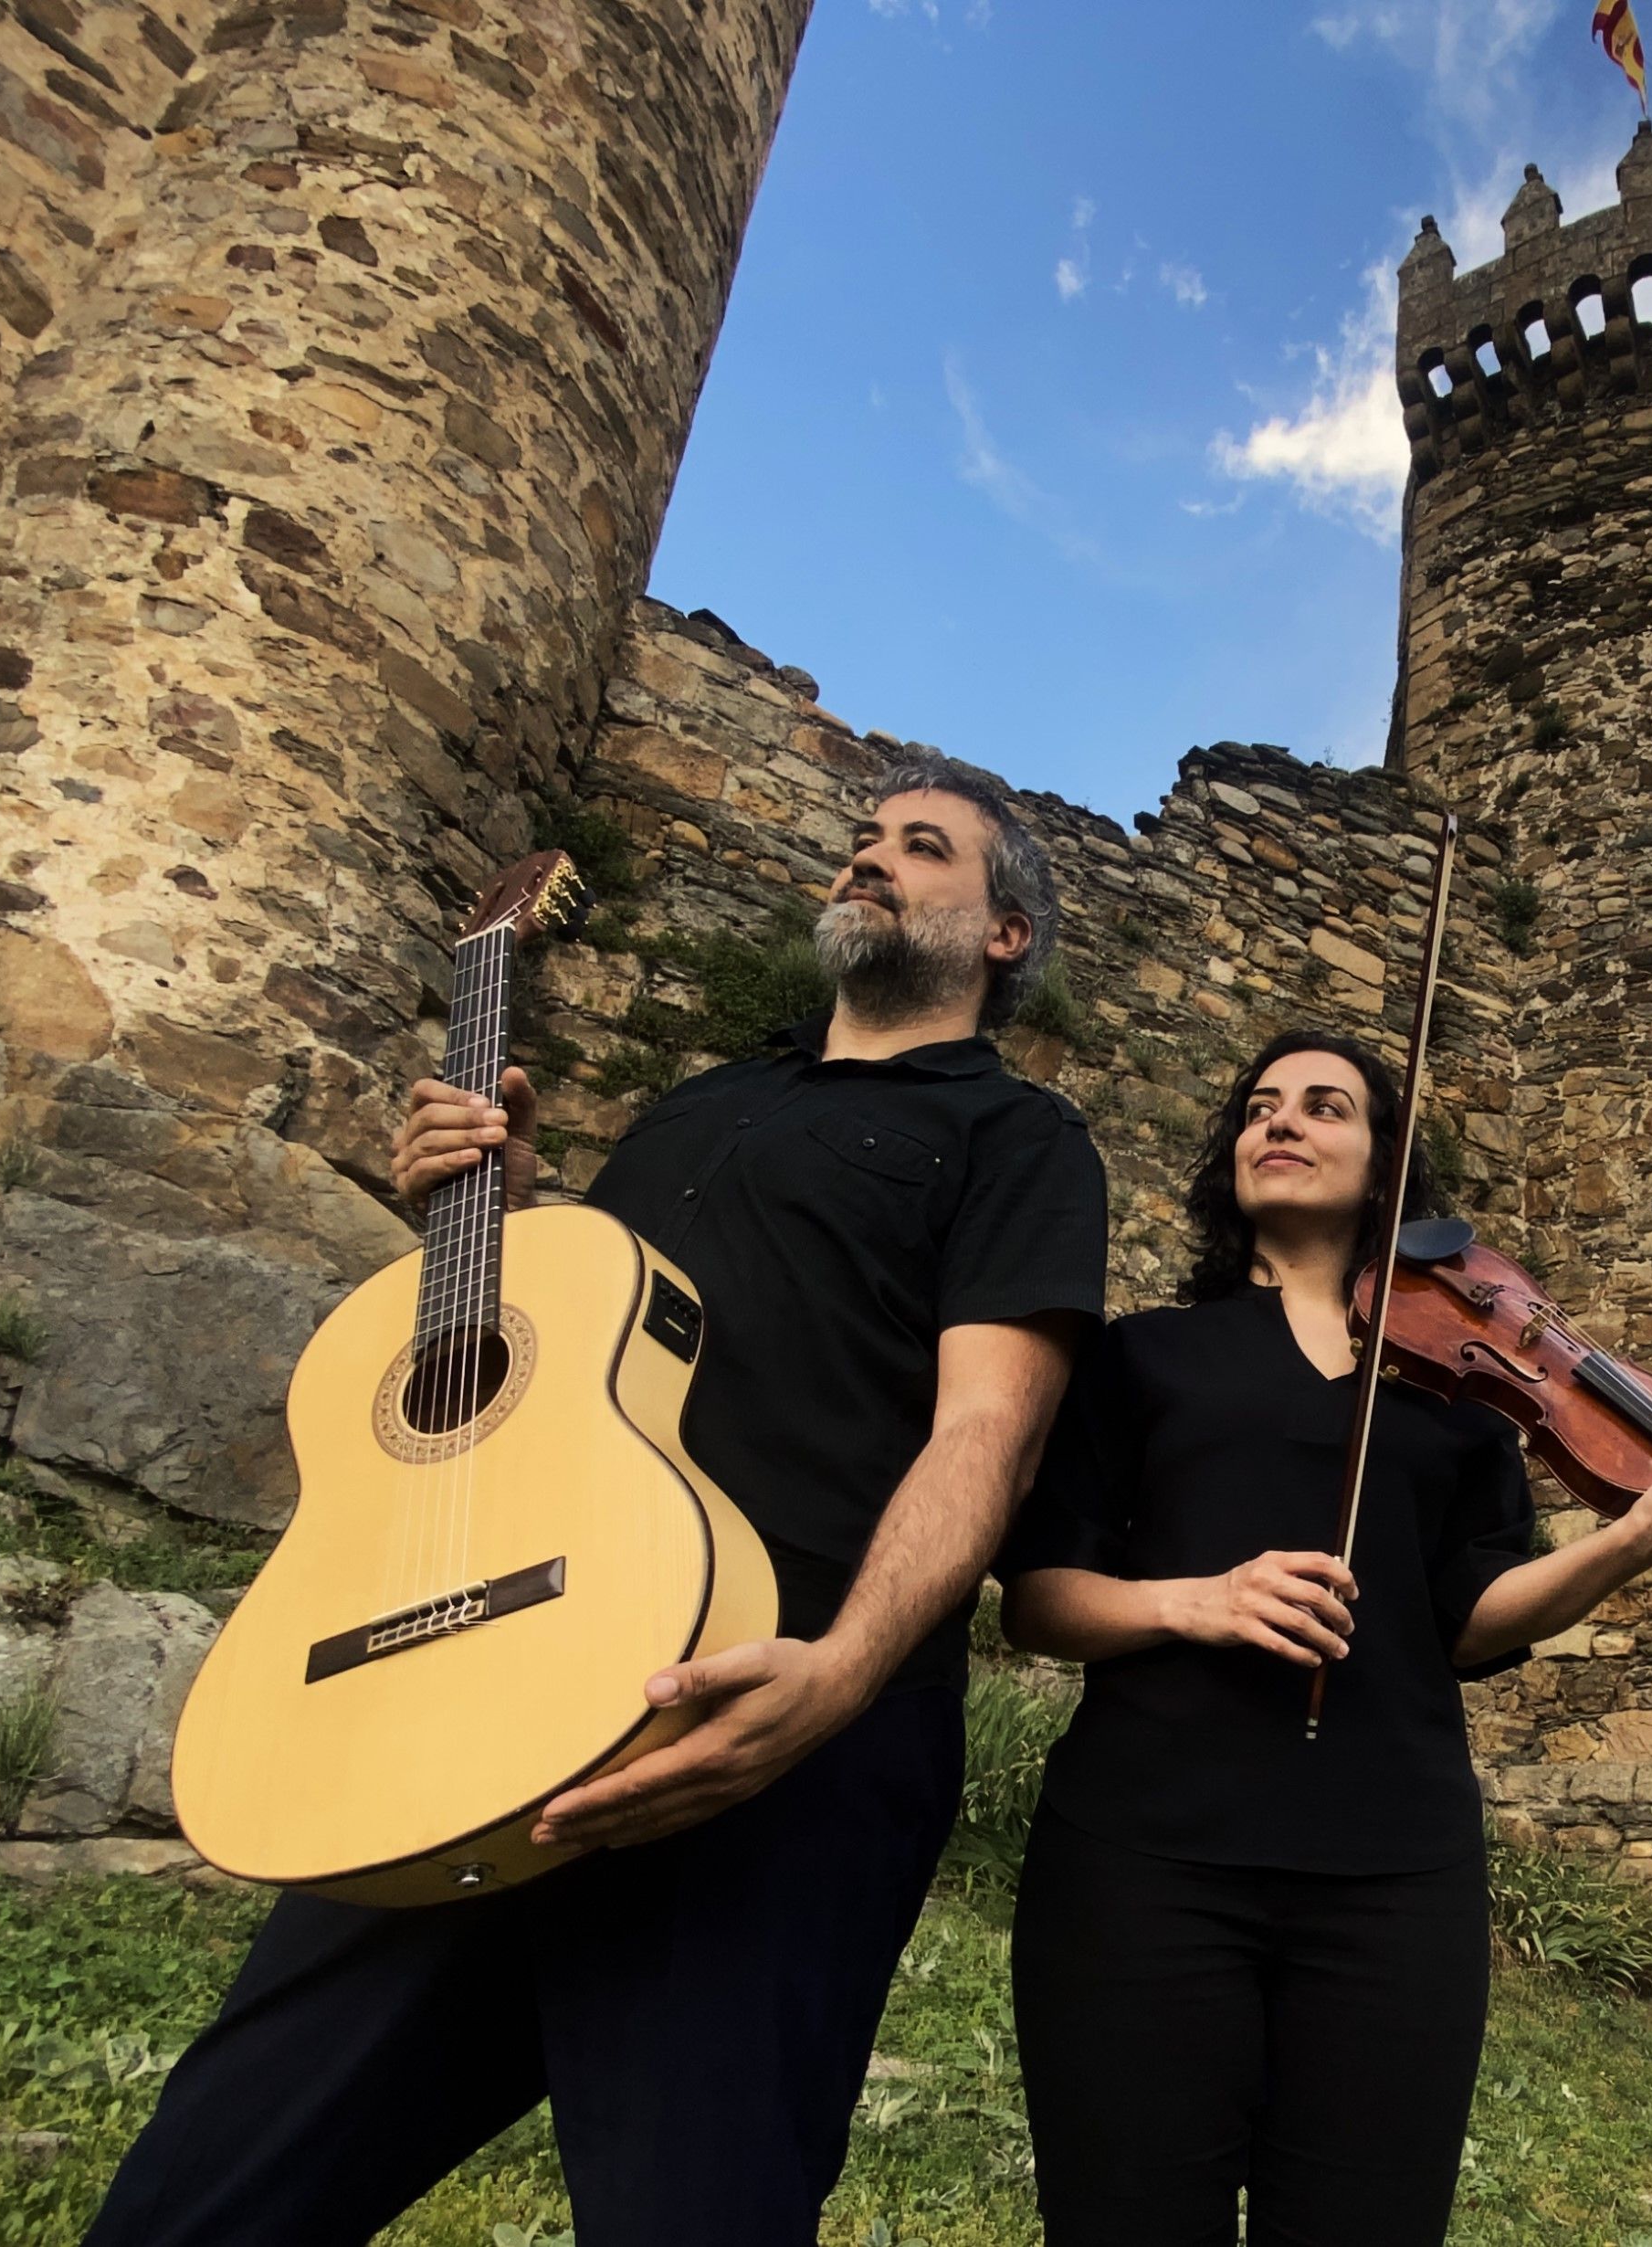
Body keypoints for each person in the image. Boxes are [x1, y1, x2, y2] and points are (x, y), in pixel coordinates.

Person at [89, 754, 1110, 2247]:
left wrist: (837, 1679)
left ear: (1003, 933)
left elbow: (987, 1435)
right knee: (202, 2195)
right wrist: (490, 1206)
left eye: (920, 846)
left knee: (697, 2211)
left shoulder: (1018, 1138)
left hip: (762, 1720)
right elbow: (570, 1371)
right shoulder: (698, 1107)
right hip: (491, 1677)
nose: (866, 857)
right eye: (859, 837)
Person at [998, 1028, 1652, 2247]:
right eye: (1259, 1107)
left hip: (1392, 1880)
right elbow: (1039, 1601)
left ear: (1385, 1167)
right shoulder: (1143, 1355)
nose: (1281, 1121)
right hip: (1141, 1860)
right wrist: (1196, 1601)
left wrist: (1643, 1533)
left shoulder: (1460, 1397)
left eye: (1326, 1106)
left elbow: (1470, 1628)